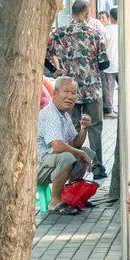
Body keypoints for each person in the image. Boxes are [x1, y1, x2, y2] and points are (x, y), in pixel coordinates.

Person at [45, 0, 108, 179]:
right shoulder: (95, 34)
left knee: (70, 128)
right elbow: (105, 63)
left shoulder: (58, 34)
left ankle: (72, 168)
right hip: (92, 89)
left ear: (72, 12)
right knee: (95, 127)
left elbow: (44, 56)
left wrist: (54, 70)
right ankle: (97, 168)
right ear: (87, 13)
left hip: (67, 90)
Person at [37, 77, 93, 214]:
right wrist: (81, 154)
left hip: (51, 162)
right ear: (55, 93)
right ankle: (54, 202)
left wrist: (84, 128)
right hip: (38, 166)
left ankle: (71, 194)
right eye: (66, 92)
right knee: (67, 157)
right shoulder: (50, 114)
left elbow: (76, 144)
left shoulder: (64, 115)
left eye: (73, 93)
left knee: (87, 151)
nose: (70, 97)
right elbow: (57, 146)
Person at [101, 6, 118, 117]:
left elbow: (102, 46)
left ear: (110, 17)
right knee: (124, 88)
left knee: (108, 89)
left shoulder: (105, 30)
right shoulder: (125, 29)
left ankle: (109, 110)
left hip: (109, 64)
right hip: (122, 64)